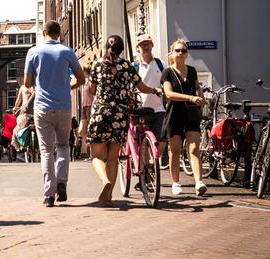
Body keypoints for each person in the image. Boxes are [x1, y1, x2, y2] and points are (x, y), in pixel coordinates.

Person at [87, 34, 156, 207]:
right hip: (120, 115)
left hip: (101, 114)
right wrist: (155, 90)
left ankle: (105, 182)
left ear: (105, 47)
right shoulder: (127, 65)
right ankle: (108, 196)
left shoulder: (96, 65)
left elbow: (92, 89)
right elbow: (141, 87)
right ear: (121, 49)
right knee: (112, 157)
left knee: (96, 156)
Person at [24, 20, 85, 207]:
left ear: (44, 33)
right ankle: (62, 184)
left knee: (46, 151)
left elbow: (27, 83)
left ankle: (49, 194)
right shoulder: (67, 52)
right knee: (64, 146)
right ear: (60, 34)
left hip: (42, 107)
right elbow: (81, 78)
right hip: (64, 106)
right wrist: (67, 86)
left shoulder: (34, 52)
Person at [161, 40, 207, 196]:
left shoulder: (192, 70)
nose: (181, 53)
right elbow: (168, 94)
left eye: (184, 51)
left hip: (191, 113)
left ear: (187, 54)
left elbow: (197, 87)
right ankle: (176, 182)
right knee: (175, 150)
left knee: (194, 148)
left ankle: (199, 182)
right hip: (175, 113)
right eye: (178, 51)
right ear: (172, 53)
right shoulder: (167, 72)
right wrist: (190, 98)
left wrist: (200, 97)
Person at [134, 34, 166, 154]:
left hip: (159, 109)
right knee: (142, 142)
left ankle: (155, 159)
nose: (146, 46)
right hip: (141, 110)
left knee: (162, 139)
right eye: (142, 44)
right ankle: (147, 168)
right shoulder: (134, 67)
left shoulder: (160, 64)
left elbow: (166, 82)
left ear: (152, 45)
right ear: (138, 48)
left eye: (148, 44)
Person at [11, 84, 34, 150]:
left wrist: (15, 108)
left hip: (25, 113)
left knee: (16, 130)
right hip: (36, 113)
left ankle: (20, 146)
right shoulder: (37, 86)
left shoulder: (23, 87)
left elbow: (18, 101)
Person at [77, 67, 93, 159]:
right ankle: (89, 149)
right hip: (84, 107)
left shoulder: (91, 81)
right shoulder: (85, 82)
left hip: (90, 107)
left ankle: (91, 154)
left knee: (91, 130)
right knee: (81, 131)